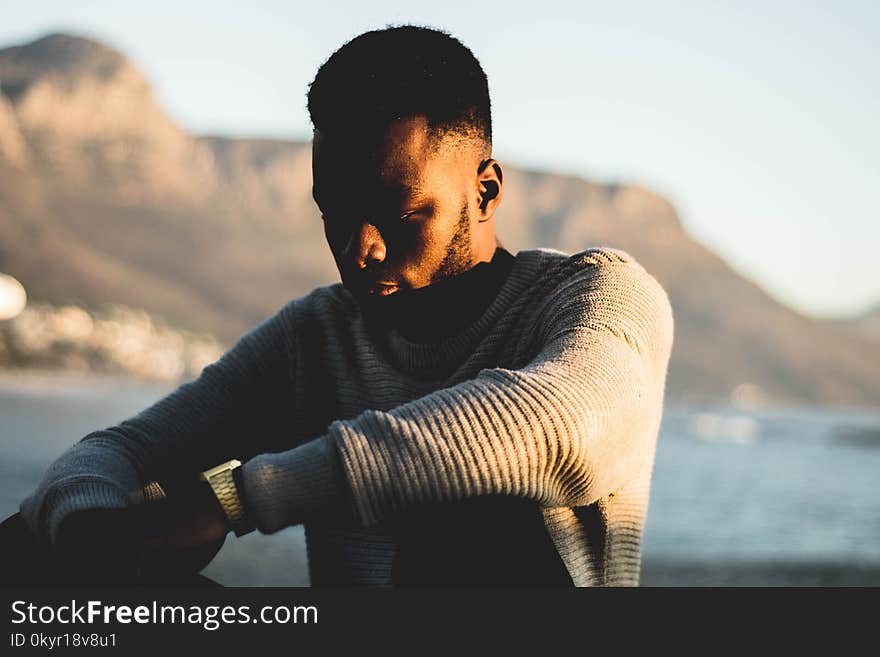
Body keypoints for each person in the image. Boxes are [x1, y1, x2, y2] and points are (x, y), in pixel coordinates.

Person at [12, 25, 674, 587]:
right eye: (336, 211)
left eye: (400, 212)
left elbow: (557, 421)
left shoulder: (598, 296)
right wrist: (88, 533)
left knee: (469, 518)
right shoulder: (317, 335)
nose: (361, 248)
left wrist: (236, 497)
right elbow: (121, 449)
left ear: (486, 190)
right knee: (30, 541)